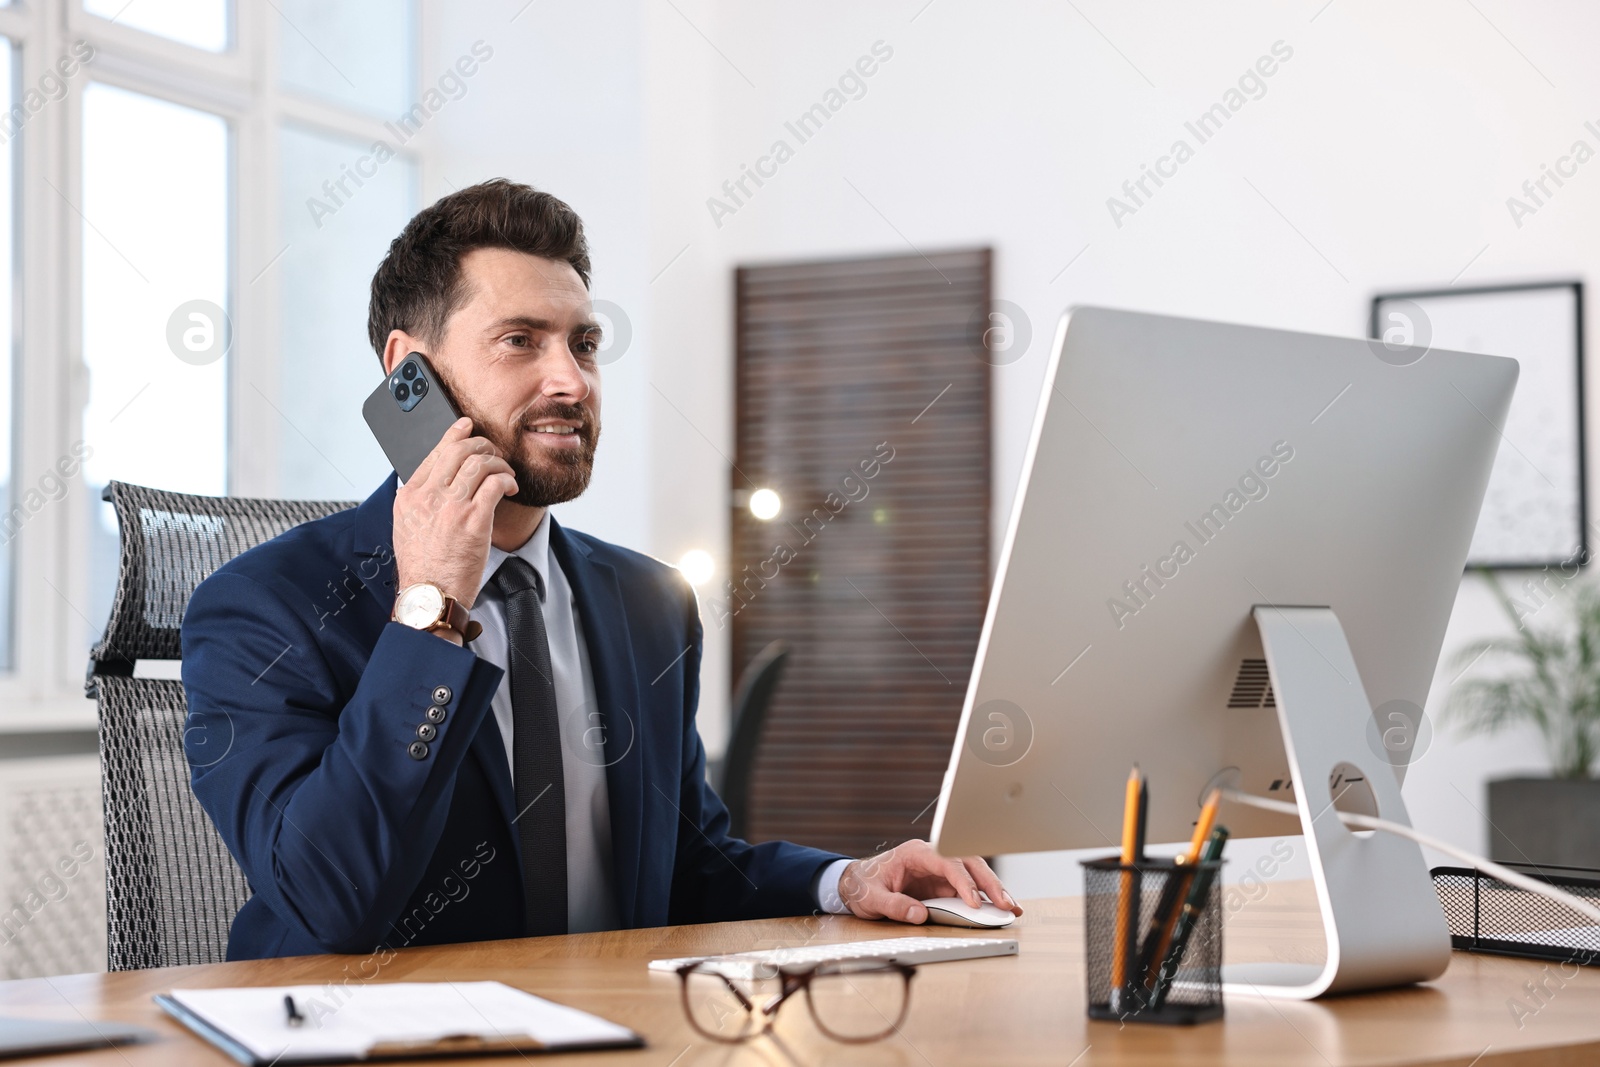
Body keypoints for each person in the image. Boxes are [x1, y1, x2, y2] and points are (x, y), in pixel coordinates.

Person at [180, 179, 1020, 960]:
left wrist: (842, 881)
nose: (571, 381)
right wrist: (432, 606)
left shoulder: (649, 601)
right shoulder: (262, 607)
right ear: (411, 375)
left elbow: (686, 864)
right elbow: (331, 902)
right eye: (520, 342)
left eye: (584, 344)